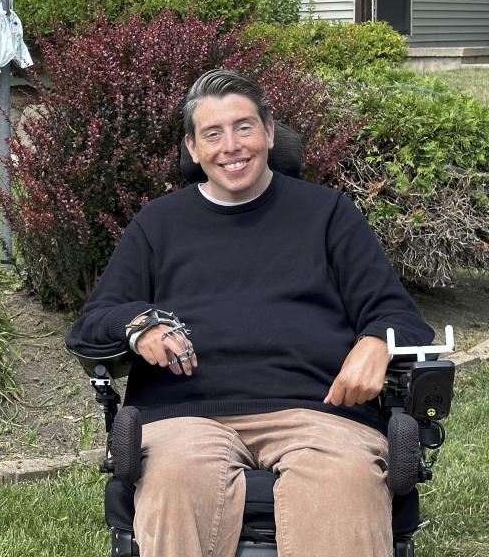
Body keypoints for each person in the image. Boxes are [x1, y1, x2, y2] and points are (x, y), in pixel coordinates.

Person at [65, 70, 434, 557]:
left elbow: (398, 314)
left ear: (270, 133)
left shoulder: (328, 214)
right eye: (212, 134)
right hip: (185, 415)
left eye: (244, 127)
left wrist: (378, 342)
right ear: (192, 149)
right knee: (175, 478)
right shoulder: (158, 224)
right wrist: (139, 325)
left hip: (318, 410)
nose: (231, 146)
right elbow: (95, 323)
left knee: (343, 478)